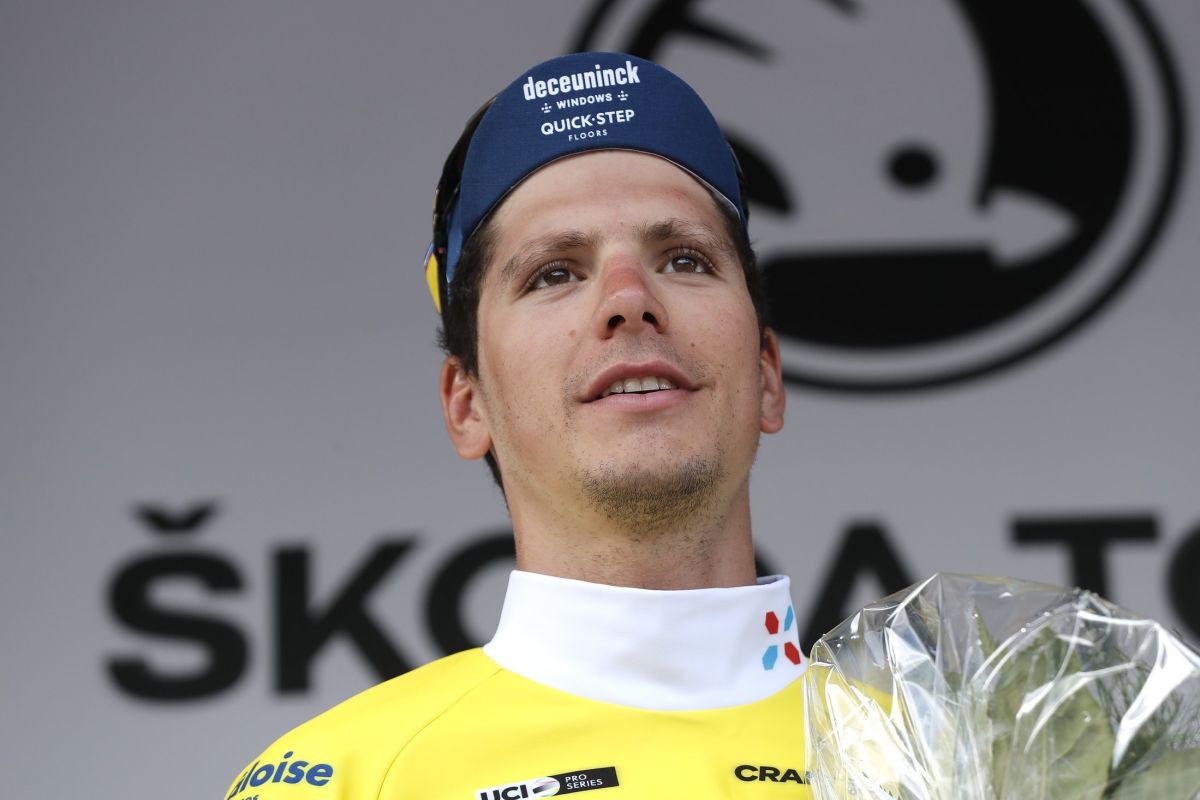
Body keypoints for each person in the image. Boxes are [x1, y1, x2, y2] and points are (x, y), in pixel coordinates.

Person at [224, 51, 808, 800]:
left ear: (765, 376)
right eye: (554, 273)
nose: (628, 298)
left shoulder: (933, 749)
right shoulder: (344, 780)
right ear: (468, 404)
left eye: (685, 260)